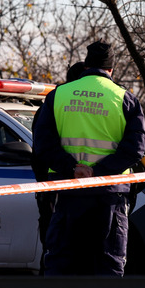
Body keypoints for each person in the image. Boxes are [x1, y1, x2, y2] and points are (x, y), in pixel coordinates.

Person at [32, 42, 145, 276]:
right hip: (109, 196)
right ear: (111, 70)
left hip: (68, 192)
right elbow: (136, 148)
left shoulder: (58, 96)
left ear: (86, 65)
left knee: (62, 264)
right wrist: (99, 172)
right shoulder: (125, 99)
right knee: (108, 265)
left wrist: (73, 168)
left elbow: (43, 144)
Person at [32, 61, 88, 266]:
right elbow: (41, 152)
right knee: (56, 254)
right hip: (58, 193)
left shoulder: (56, 104)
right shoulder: (56, 105)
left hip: (63, 192)